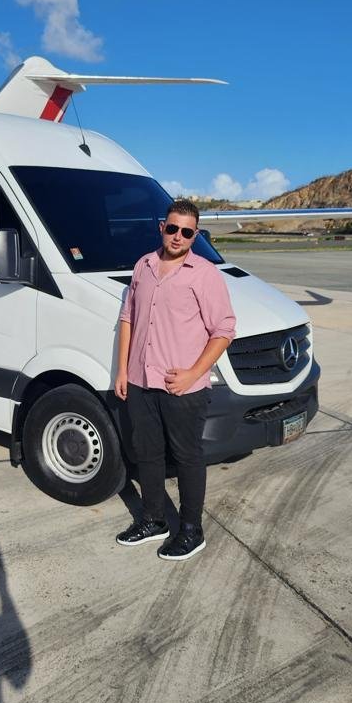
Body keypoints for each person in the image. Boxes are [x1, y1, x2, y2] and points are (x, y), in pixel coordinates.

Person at [115, 199, 236, 561]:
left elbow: (224, 329)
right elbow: (128, 319)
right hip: (140, 379)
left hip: (180, 386)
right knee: (147, 454)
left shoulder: (204, 273)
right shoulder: (144, 266)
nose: (178, 236)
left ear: (195, 235)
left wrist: (193, 374)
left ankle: (190, 530)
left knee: (186, 457)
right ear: (161, 229)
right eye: (173, 228)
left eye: (187, 232)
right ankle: (153, 520)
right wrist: (122, 370)